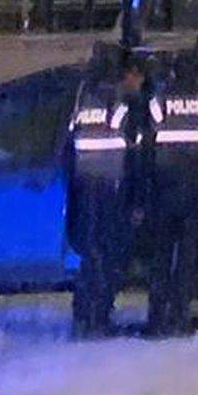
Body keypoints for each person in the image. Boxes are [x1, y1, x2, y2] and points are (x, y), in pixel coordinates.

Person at [66, 50, 148, 338]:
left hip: (85, 189)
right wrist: (138, 201)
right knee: (110, 256)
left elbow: (68, 151)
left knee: (92, 255)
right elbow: (135, 158)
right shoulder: (124, 110)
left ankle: (85, 314)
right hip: (114, 191)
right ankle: (99, 317)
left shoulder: (82, 108)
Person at [141, 53, 198, 337]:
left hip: (166, 189)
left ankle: (156, 319)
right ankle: (179, 317)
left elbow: (147, 145)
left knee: (161, 255)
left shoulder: (160, 102)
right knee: (188, 257)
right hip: (197, 190)